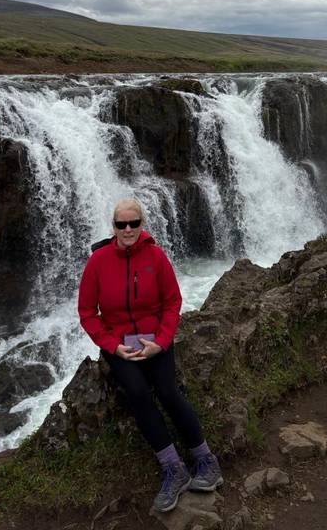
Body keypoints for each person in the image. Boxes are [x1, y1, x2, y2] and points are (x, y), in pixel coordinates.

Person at [77, 197, 222, 513]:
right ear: (113, 227)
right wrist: (113, 345)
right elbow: (87, 312)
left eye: (133, 223)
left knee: (170, 392)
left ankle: (206, 461)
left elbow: (172, 302)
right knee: (138, 393)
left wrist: (162, 340)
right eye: (121, 224)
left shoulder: (156, 256)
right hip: (120, 345)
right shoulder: (97, 263)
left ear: (142, 225)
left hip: (155, 340)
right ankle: (173, 468)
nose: (127, 229)